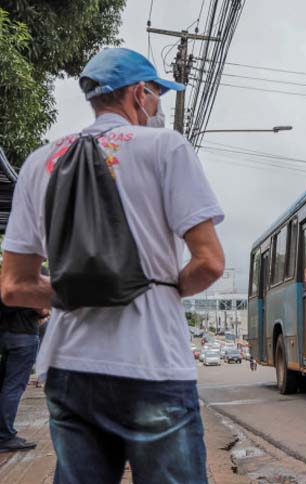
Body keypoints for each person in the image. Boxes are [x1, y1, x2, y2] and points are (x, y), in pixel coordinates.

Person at [0, 47, 225, 483]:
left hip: (69, 366)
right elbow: (210, 263)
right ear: (139, 94)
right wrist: (150, 287)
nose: (156, 104)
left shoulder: (38, 163)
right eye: (157, 94)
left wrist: (79, 288)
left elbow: (13, 286)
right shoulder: (166, 147)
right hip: (152, 362)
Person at [0, 292, 47, 453]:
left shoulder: (5, 277)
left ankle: (4, 433)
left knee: (5, 386)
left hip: (5, 334)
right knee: (13, 387)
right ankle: (5, 436)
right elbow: (40, 308)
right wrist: (44, 311)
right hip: (24, 335)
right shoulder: (28, 276)